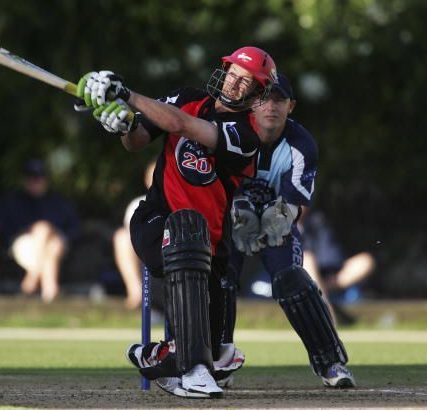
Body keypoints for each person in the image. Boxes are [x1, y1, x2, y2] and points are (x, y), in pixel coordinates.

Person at [76, 46, 277, 398]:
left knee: (210, 349)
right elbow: (137, 141)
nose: (235, 82)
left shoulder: (246, 136)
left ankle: (164, 356)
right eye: (233, 72)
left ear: (258, 93)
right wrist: (124, 123)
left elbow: (180, 125)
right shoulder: (187, 97)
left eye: (247, 81)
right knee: (182, 232)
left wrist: (125, 94)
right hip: (156, 219)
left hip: (210, 243)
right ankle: (190, 366)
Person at [228, 74, 355, 388]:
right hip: (231, 222)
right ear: (250, 103)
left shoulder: (302, 144)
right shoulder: (232, 132)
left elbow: (298, 203)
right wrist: (235, 210)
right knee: (218, 279)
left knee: (292, 280)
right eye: (263, 98)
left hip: (277, 224)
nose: (270, 106)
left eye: (278, 100)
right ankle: (217, 359)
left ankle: (330, 362)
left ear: (290, 105)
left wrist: (280, 216)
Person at [0, 159, 79, 303]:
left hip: (58, 244)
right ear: (24, 180)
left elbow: (73, 230)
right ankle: (49, 291)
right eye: (31, 178)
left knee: (51, 239)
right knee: (46, 235)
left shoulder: (59, 203)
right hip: (24, 245)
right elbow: (3, 230)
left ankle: (33, 282)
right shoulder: (13, 202)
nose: (35, 181)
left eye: (39, 177)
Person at [300, 208, 375, 324]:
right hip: (298, 277)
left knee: (365, 260)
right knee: (307, 259)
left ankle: (321, 290)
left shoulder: (317, 221)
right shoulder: (280, 224)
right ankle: (326, 311)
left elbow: (330, 258)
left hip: (327, 277)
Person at [112, 160, 156, 309]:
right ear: (146, 180)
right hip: (144, 248)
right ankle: (136, 291)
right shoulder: (138, 204)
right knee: (121, 237)